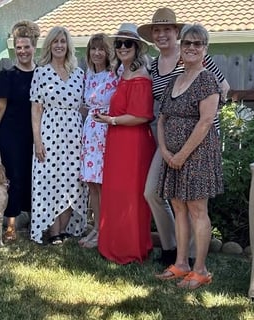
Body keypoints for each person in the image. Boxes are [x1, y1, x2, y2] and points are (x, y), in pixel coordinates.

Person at [137, 7, 230, 265]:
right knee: (153, 192)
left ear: (176, 32)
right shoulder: (154, 66)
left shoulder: (193, 53)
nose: (162, 34)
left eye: (167, 29)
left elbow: (223, 87)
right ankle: (171, 248)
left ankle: (190, 256)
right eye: (157, 30)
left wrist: (205, 120)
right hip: (167, 138)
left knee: (193, 201)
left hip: (199, 140)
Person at [155, 24, 224, 289]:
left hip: (196, 156)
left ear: (205, 49)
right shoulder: (175, 79)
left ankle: (201, 269)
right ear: (181, 48)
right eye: (187, 44)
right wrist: (164, 149)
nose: (192, 48)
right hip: (172, 156)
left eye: (198, 44)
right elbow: (162, 118)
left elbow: (205, 122)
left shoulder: (207, 80)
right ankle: (181, 263)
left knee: (197, 210)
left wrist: (181, 154)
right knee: (179, 208)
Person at [95, 23, 155, 264]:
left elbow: (141, 115)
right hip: (118, 140)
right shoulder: (123, 73)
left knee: (131, 195)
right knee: (116, 193)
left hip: (133, 144)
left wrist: (111, 120)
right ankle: (113, 244)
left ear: (137, 47)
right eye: (118, 43)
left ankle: (131, 249)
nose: (122, 47)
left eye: (127, 43)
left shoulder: (141, 77)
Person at [29, 26, 88, 245]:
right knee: (49, 181)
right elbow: (36, 109)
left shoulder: (78, 73)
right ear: (50, 45)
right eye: (55, 41)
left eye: (63, 41)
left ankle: (63, 230)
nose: (59, 45)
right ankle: (53, 232)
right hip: (50, 133)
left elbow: (84, 106)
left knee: (72, 182)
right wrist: (37, 140)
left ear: (68, 45)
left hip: (74, 135)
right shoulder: (41, 72)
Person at [0, 21, 40, 242]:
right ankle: (11, 226)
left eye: (27, 47)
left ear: (34, 47)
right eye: (19, 48)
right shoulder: (7, 76)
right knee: (13, 178)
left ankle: (37, 221)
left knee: (33, 177)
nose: (23, 51)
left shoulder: (42, 75)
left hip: (35, 136)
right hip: (11, 136)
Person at [77, 34, 118, 249]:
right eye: (93, 49)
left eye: (101, 49)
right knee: (92, 184)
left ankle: (105, 229)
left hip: (106, 131)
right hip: (90, 131)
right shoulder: (88, 74)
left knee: (103, 184)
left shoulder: (115, 74)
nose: (97, 53)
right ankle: (96, 226)